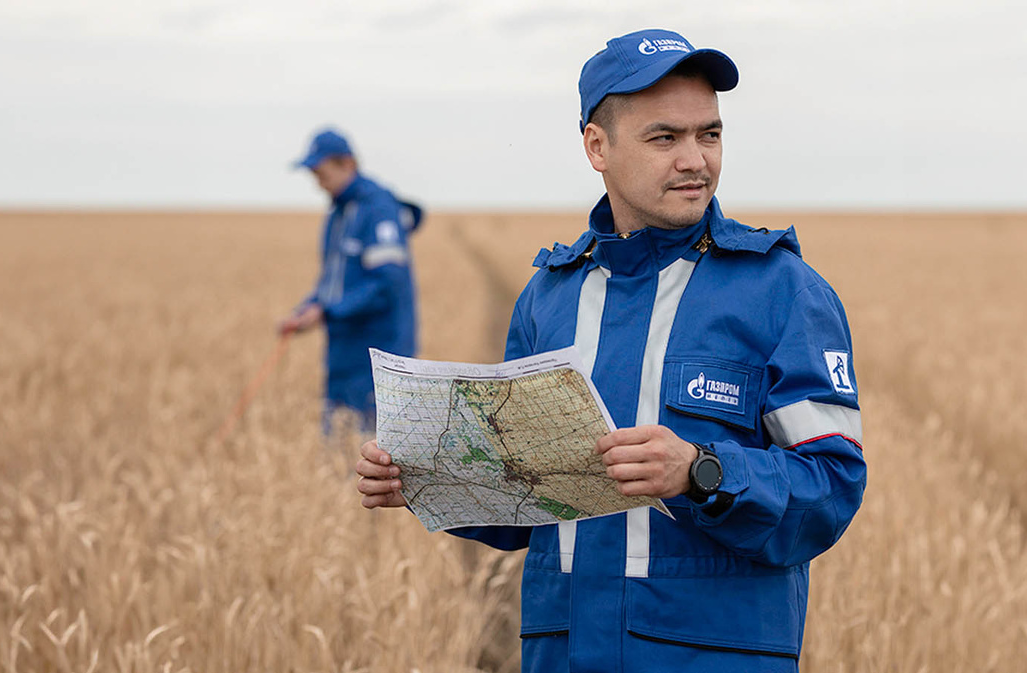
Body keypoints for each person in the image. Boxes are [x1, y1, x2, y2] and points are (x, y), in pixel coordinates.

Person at [356, 28, 866, 672]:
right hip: (563, 652)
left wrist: (702, 471)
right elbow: (526, 500)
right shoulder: (549, 296)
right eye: (665, 138)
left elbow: (833, 485)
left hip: (713, 656)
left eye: (709, 134)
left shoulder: (783, 290)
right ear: (597, 146)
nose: (696, 160)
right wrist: (427, 479)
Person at [280, 128, 422, 435]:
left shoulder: (378, 208)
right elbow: (332, 281)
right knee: (339, 443)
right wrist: (309, 307)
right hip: (343, 350)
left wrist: (328, 312)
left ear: (348, 164)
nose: (319, 183)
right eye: (314, 176)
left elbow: (388, 283)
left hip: (379, 353)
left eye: (322, 173)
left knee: (372, 446)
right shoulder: (339, 212)